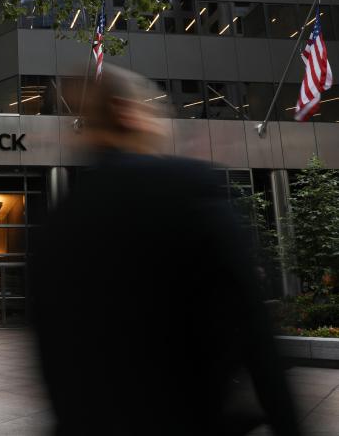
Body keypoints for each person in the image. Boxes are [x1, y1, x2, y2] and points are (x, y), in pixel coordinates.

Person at [30, 66, 301, 436]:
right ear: (126, 111)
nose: (164, 121)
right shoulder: (189, 186)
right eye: (155, 109)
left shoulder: (56, 222)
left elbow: (48, 360)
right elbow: (254, 328)